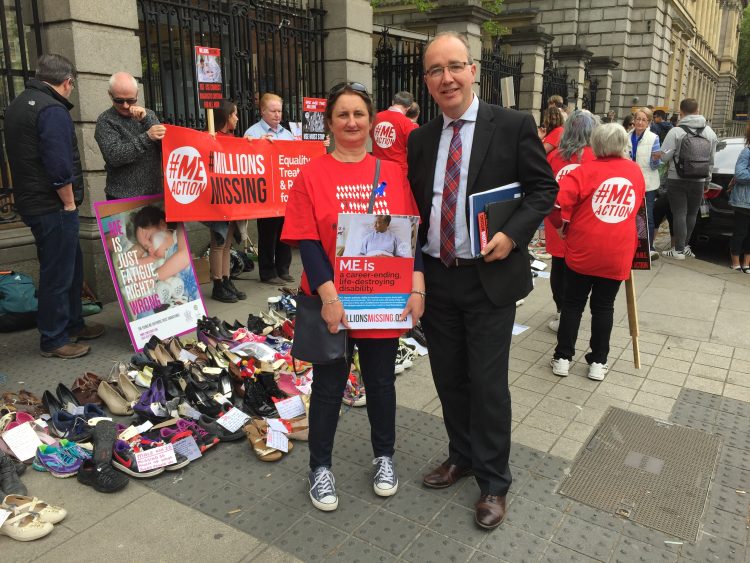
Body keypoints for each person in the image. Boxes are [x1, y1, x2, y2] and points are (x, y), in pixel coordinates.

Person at [407, 32, 557, 530]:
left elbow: (543, 188)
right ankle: (461, 456)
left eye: (454, 66)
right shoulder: (421, 138)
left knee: (488, 384)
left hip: (490, 277)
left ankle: (494, 481)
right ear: (426, 81)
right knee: (448, 378)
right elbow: (415, 209)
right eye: (435, 70)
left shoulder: (512, 125)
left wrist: (513, 237)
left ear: (473, 71)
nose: (446, 77)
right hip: (439, 276)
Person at [281, 82, 425, 512]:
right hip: (333, 301)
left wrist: (417, 285)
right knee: (329, 386)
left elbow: (410, 234)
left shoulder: (393, 174)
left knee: (381, 382)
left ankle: (384, 457)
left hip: (380, 298)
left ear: (371, 121)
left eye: (359, 114)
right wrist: (328, 297)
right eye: (342, 115)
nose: (351, 122)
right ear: (328, 123)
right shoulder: (311, 174)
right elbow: (307, 241)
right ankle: (320, 467)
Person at [5, 53, 104, 359]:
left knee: (70, 266)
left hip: (34, 202)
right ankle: (54, 338)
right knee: (58, 273)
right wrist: (70, 204)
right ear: (67, 81)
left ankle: (72, 323)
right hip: (53, 206)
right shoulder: (51, 109)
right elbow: (58, 164)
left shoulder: (19, 104)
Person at [548, 123, 645, 381]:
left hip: (583, 248)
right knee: (604, 307)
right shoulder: (635, 171)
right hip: (618, 250)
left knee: (573, 304)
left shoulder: (584, 171)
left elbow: (554, 204)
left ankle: (563, 357)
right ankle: (598, 362)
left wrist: (560, 227)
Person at [544, 110, 599, 332]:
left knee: (558, 264)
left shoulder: (554, 156)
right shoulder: (597, 156)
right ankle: (573, 310)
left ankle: (562, 310)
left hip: (557, 218)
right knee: (580, 269)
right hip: (586, 220)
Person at [244, 93, 294, 285]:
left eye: (279, 110)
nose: (277, 115)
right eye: (273, 111)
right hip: (265, 194)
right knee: (267, 234)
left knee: (285, 232)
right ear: (263, 111)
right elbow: (244, 159)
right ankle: (267, 271)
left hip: (284, 192)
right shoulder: (253, 132)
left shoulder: (287, 134)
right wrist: (258, 145)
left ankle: (283, 268)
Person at [660, 98, 718, 259]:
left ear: (681, 112)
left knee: (679, 213)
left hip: (676, 178)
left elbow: (664, 157)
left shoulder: (676, 131)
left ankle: (678, 250)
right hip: (699, 179)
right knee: (692, 214)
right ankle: (685, 247)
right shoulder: (710, 133)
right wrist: (707, 180)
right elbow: (711, 161)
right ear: (698, 110)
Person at [94, 72, 165, 200]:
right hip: (122, 197)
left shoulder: (148, 114)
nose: (125, 105)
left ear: (137, 94)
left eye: (131, 100)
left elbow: (166, 146)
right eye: (119, 101)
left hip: (154, 195)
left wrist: (146, 120)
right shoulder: (105, 120)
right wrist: (147, 137)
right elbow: (115, 156)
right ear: (110, 95)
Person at [206, 99, 246, 303]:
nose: (237, 118)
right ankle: (217, 284)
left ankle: (226, 279)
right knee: (219, 242)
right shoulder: (211, 137)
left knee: (228, 242)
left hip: (231, 200)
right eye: (234, 114)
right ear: (225, 116)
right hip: (217, 200)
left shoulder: (232, 138)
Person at [629, 107, 662, 260]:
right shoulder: (627, 136)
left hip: (647, 183)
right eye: (638, 119)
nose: (640, 122)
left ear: (648, 122)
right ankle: (631, 245)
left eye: (643, 120)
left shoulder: (653, 138)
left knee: (646, 216)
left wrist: (656, 159)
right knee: (631, 215)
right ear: (634, 120)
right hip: (630, 182)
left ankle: (647, 248)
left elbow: (656, 165)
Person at [371, 91, 418, 178]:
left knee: (379, 191)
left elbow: (372, 137)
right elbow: (412, 149)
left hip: (377, 169)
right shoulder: (406, 123)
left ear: (393, 102)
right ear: (408, 108)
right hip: (398, 172)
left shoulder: (376, 118)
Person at [730, 123, 750, 272]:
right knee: (740, 232)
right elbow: (740, 174)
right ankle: (735, 262)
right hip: (744, 201)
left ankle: (747, 263)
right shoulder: (746, 152)